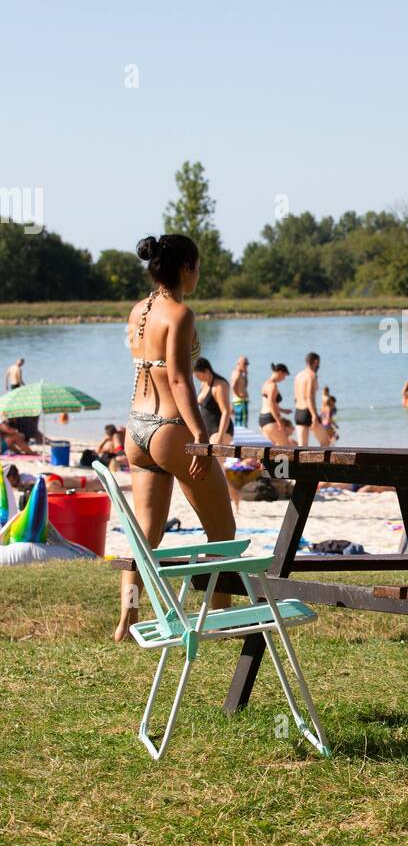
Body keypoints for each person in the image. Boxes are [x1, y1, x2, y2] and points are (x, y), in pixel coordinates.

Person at [118, 234, 235, 642]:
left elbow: (147, 368)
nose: (199, 274)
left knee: (146, 534)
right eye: (198, 266)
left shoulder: (139, 311)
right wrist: (201, 435)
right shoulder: (180, 314)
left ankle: (127, 620)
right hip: (170, 429)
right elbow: (181, 379)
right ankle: (220, 619)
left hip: (136, 428)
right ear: (185, 268)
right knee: (223, 530)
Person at [194, 358, 235, 446]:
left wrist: (220, 436)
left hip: (219, 430)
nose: (197, 378)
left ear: (207, 371)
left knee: (214, 459)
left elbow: (226, 411)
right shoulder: (204, 383)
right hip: (206, 429)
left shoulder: (219, 386)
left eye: (198, 375)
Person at [294, 352, 330, 445]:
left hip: (298, 412)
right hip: (308, 412)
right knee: (325, 443)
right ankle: (320, 460)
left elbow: (296, 398)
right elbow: (309, 396)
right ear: (316, 362)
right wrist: (314, 415)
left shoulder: (298, 376)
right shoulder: (312, 375)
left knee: (302, 447)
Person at [259, 363, 294, 446]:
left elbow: (269, 403)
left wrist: (283, 410)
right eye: (284, 375)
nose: (284, 378)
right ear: (280, 372)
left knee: (273, 447)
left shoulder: (266, 383)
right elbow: (271, 404)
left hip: (263, 419)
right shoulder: (273, 386)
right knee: (286, 446)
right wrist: (279, 421)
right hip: (270, 419)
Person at [230, 356, 250, 428]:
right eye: (244, 364)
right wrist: (238, 395)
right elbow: (233, 386)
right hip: (240, 401)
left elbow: (245, 386)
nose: (246, 366)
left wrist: (246, 375)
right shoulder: (237, 373)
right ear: (238, 363)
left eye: (247, 364)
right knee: (243, 424)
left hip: (240, 401)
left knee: (239, 422)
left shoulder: (240, 373)